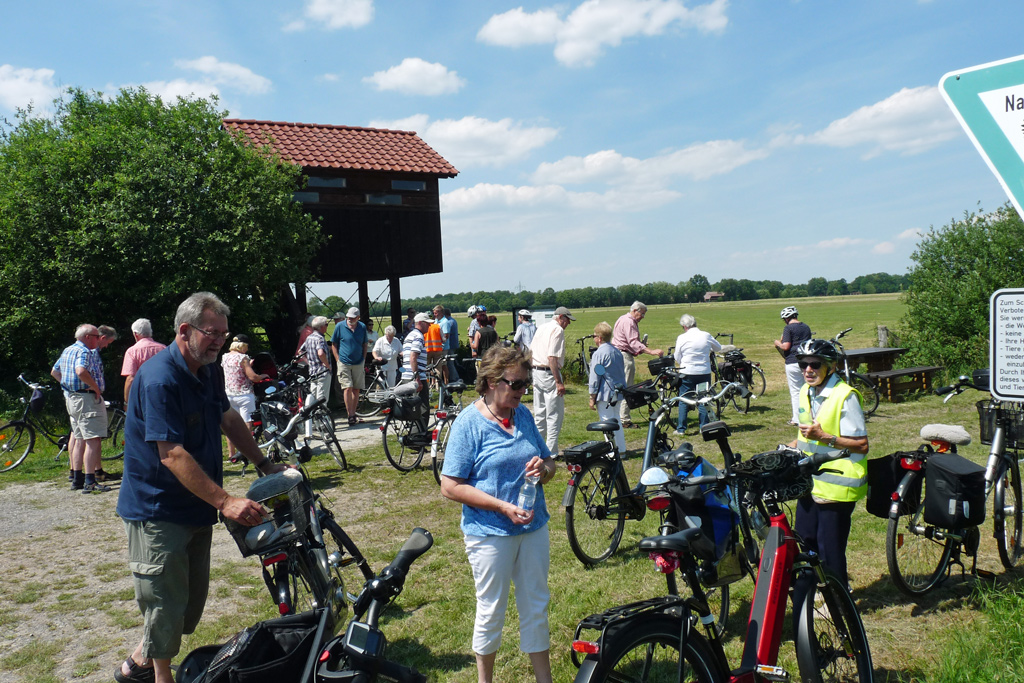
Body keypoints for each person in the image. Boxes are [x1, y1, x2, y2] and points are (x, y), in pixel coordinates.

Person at [115, 292, 287, 683]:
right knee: (164, 600)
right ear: (184, 330)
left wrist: (263, 464)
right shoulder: (159, 378)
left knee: (189, 606)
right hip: (157, 510)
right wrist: (225, 501)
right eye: (212, 333)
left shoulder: (206, 370)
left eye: (224, 335)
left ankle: (136, 664)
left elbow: (227, 417)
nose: (219, 342)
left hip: (195, 505)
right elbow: (171, 453)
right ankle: (160, 675)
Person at [439, 346, 557, 683]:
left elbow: (549, 462)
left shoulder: (522, 415)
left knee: (536, 604)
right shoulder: (469, 424)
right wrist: (502, 506)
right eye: (516, 384)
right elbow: (450, 486)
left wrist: (543, 469)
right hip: (489, 532)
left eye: (526, 384)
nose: (523, 391)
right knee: (491, 610)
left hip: (533, 527)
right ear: (491, 381)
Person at [787, 338, 869, 590]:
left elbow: (861, 445)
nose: (807, 370)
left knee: (829, 547)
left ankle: (840, 600)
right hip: (811, 480)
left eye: (814, 364)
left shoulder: (846, 396)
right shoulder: (805, 391)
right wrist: (789, 448)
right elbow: (806, 435)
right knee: (806, 540)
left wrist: (825, 437)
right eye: (803, 364)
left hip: (837, 483)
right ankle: (814, 593)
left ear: (831, 367)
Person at [51, 324, 110, 493]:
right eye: (96, 336)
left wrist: (68, 387)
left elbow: (55, 372)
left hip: (72, 399)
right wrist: (95, 388)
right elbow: (80, 370)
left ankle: (77, 478)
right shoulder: (84, 351)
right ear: (88, 337)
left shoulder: (67, 350)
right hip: (86, 399)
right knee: (93, 439)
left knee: (78, 439)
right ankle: (90, 482)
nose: (99, 339)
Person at [529, 306, 574, 453]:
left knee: (539, 413)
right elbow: (552, 357)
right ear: (561, 317)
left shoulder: (541, 327)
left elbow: (530, 351)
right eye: (567, 320)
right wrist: (559, 382)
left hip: (536, 371)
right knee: (554, 415)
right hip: (549, 373)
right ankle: (551, 451)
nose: (568, 324)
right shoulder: (557, 330)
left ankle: (538, 448)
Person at [612, 301, 664, 428]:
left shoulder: (622, 318)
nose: (642, 317)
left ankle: (616, 416)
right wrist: (651, 351)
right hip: (624, 356)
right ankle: (624, 420)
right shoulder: (630, 322)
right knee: (627, 388)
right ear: (635, 310)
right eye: (642, 314)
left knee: (618, 387)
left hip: (617, 354)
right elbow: (633, 342)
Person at [220, 334, 269, 463]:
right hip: (244, 394)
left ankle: (232, 454)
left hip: (229, 394)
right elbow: (252, 377)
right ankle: (246, 452)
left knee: (230, 425)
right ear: (243, 346)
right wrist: (263, 375)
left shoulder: (225, 357)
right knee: (247, 422)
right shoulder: (243, 358)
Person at [673, 314, 721, 434]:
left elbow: (677, 356)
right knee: (703, 398)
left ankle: (681, 429)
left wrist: (683, 363)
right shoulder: (705, 335)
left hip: (687, 371)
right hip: (703, 372)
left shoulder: (681, 337)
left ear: (684, 326)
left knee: (684, 399)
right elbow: (718, 348)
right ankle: (703, 427)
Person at [588, 322, 627, 454]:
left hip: (605, 394)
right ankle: (621, 449)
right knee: (617, 421)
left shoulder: (599, 354)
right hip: (618, 391)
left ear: (599, 337)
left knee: (606, 422)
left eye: (594, 336)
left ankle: (612, 451)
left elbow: (595, 376)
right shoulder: (617, 351)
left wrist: (592, 397)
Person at [774, 305, 813, 426]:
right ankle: (812, 415)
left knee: (796, 391)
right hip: (806, 360)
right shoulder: (806, 327)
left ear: (786, 318)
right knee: (808, 389)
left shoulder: (788, 328)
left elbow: (786, 346)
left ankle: (796, 419)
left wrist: (777, 343)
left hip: (792, 361)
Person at [331, 306, 369, 427]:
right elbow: (334, 344)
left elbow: (365, 344)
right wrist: (337, 360)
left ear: (358, 318)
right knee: (347, 388)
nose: (350, 319)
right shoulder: (340, 326)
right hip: (344, 362)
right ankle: (350, 415)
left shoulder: (362, 327)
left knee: (356, 388)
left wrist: (363, 358)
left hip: (358, 362)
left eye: (353, 318)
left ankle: (354, 412)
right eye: (348, 317)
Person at [122, 318, 166, 405]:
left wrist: (126, 402)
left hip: (142, 396)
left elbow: (130, 379)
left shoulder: (132, 351)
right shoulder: (163, 348)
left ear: (135, 334)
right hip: (163, 394)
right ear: (150, 332)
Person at [301, 316, 332, 437]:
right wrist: (327, 365)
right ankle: (325, 426)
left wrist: (309, 362)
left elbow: (300, 351)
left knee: (313, 398)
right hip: (322, 372)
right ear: (321, 327)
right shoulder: (320, 338)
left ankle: (314, 424)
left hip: (313, 372)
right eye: (326, 324)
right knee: (323, 399)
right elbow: (320, 353)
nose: (327, 326)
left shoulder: (309, 338)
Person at [401, 312, 432, 407]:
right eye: (427, 323)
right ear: (421, 323)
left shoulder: (410, 335)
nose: (429, 325)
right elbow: (413, 356)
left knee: (410, 408)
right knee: (423, 408)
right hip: (415, 378)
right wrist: (417, 378)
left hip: (406, 376)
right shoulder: (419, 337)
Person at [439, 306, 460, 382]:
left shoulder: (449, 322)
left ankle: (455, 378)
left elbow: (446, 334)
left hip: (451, 344)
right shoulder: (452, 320)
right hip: (453, 344)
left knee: (450, 363)